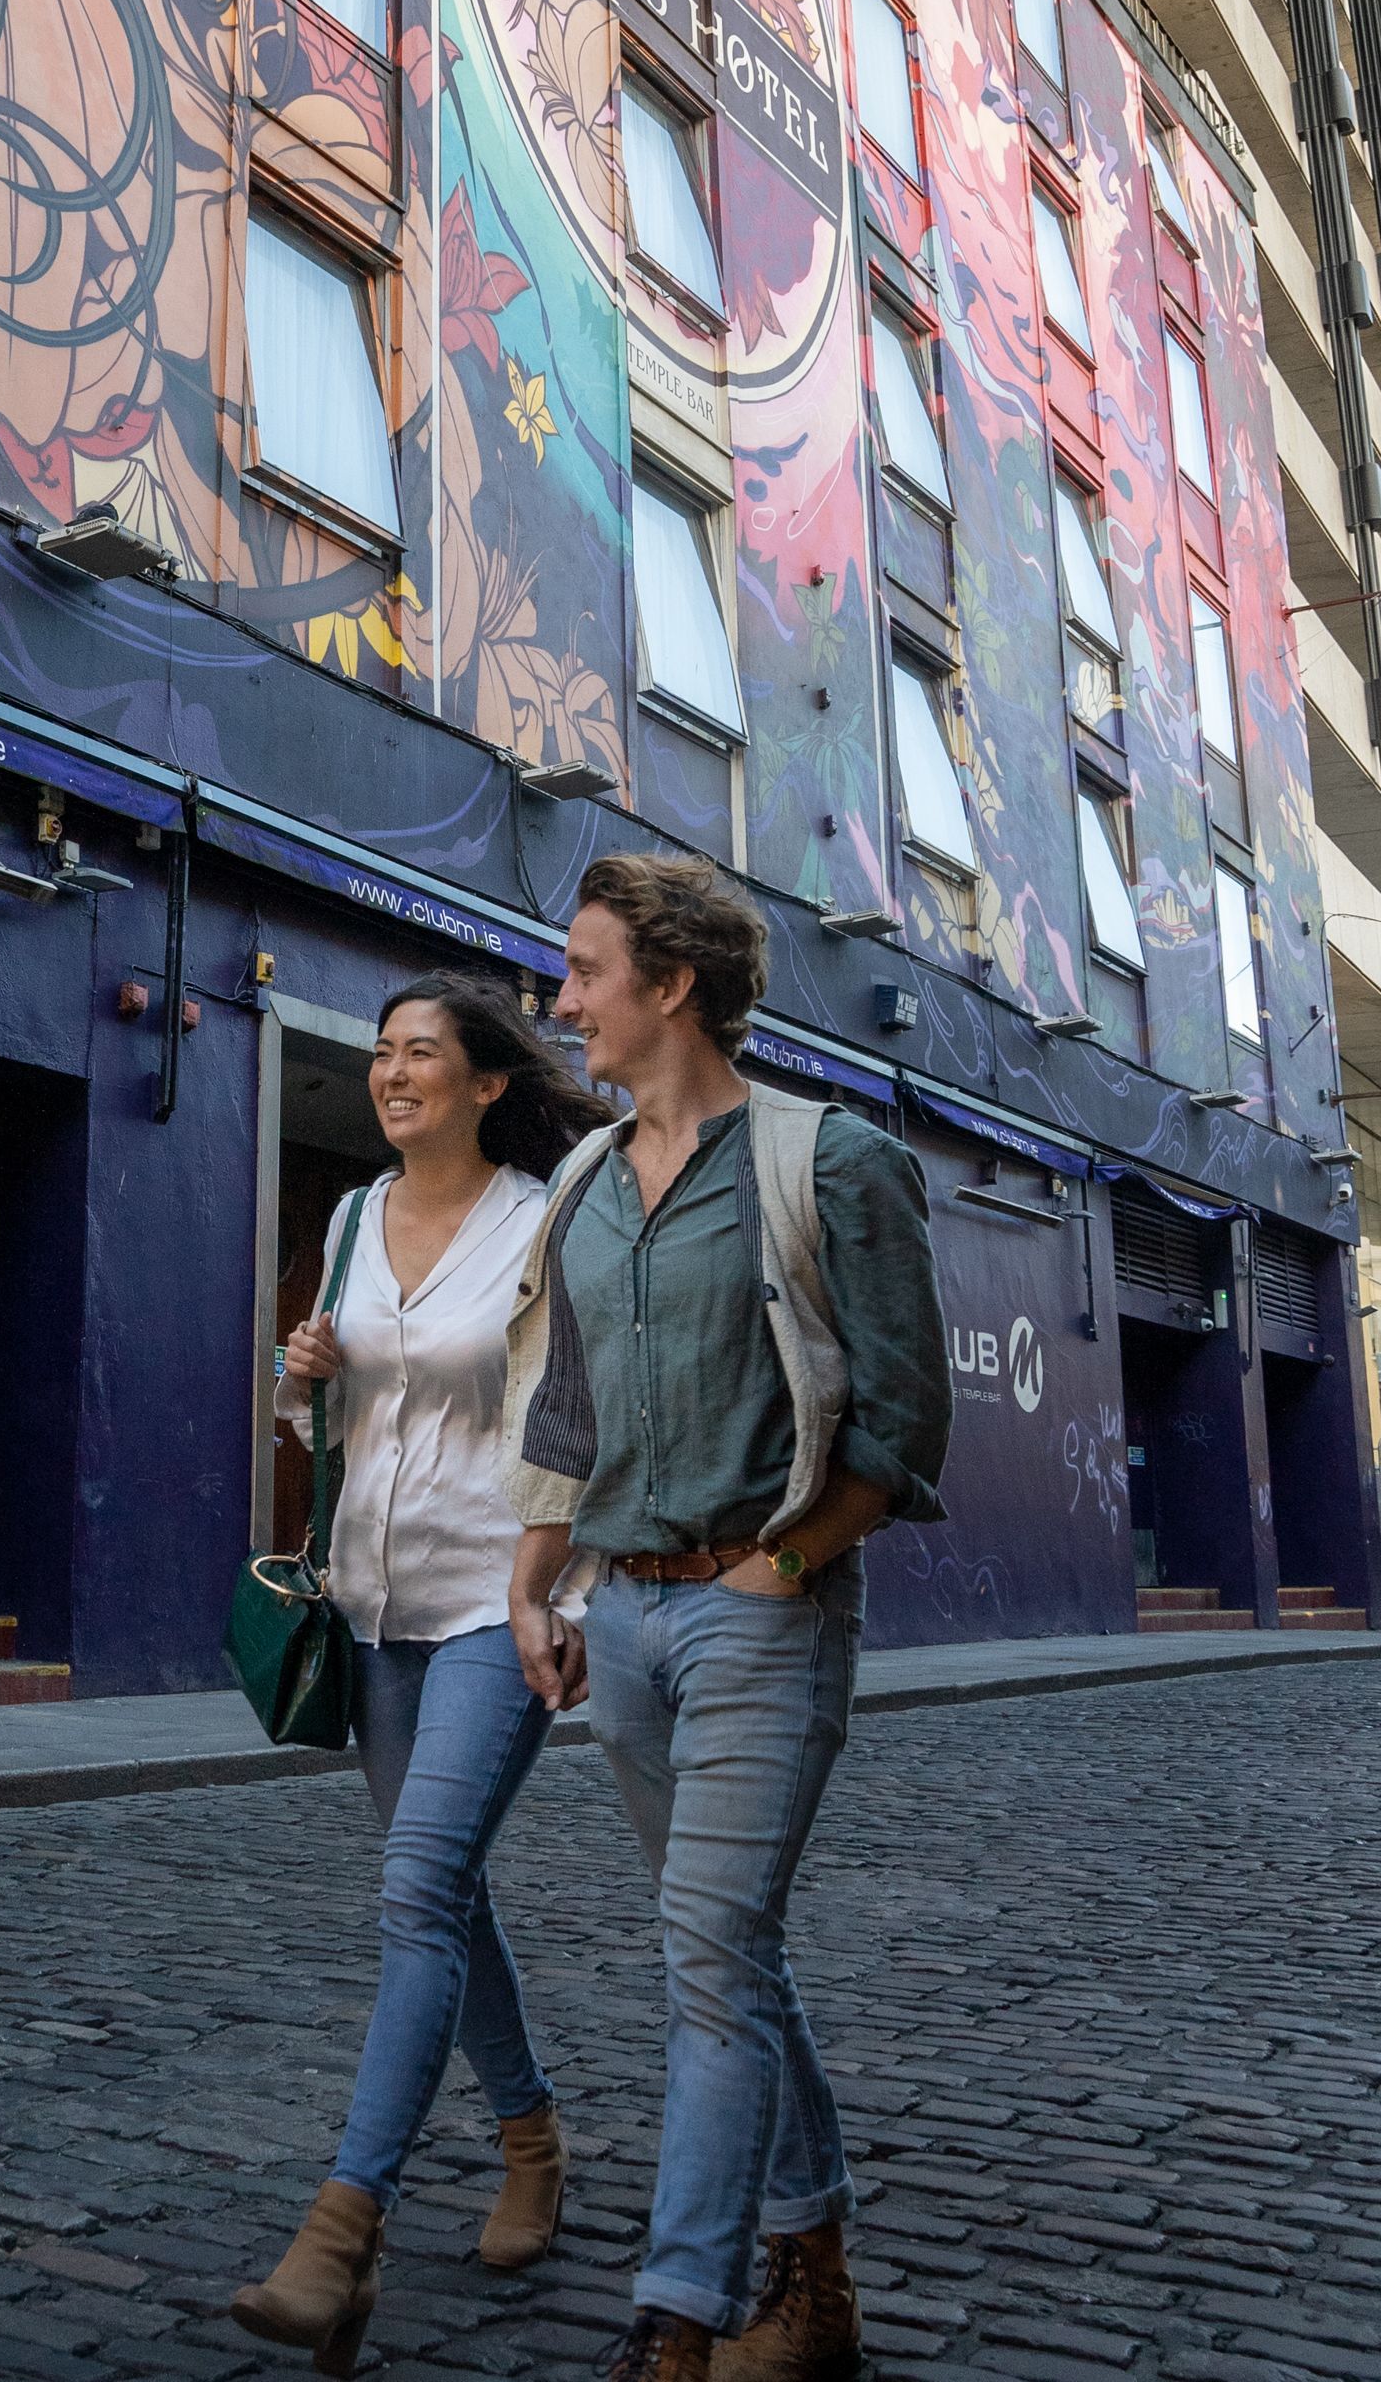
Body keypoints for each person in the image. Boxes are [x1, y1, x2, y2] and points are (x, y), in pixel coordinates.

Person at [504, 854, 951, 2382]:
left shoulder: (827, 1162)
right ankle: (816, 2286)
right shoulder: (581, 1178)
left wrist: (789, 1561)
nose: (559, 1002)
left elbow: (904, 1420)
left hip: (760, 1614)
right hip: (617, 1617)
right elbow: (566, 1407)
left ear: (670, 984)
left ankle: (674, 2319)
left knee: (708, 1956)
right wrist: (539, 1582)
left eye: (581, 973)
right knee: (731, 1958)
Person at [231, 971, 612, 2377]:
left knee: (416, 1890)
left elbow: (572, 1410)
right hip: (373, 1600)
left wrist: (549, 1586)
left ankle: (344, 2230)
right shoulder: (345, 1219)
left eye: (422, 1055)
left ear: (488, 1082)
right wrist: (305, 1367)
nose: (393, 1075)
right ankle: (534, 2139)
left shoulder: (539, 1220)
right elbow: (319, 1411)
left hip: (494, 1604)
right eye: (382, 1055)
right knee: (440, 1891)